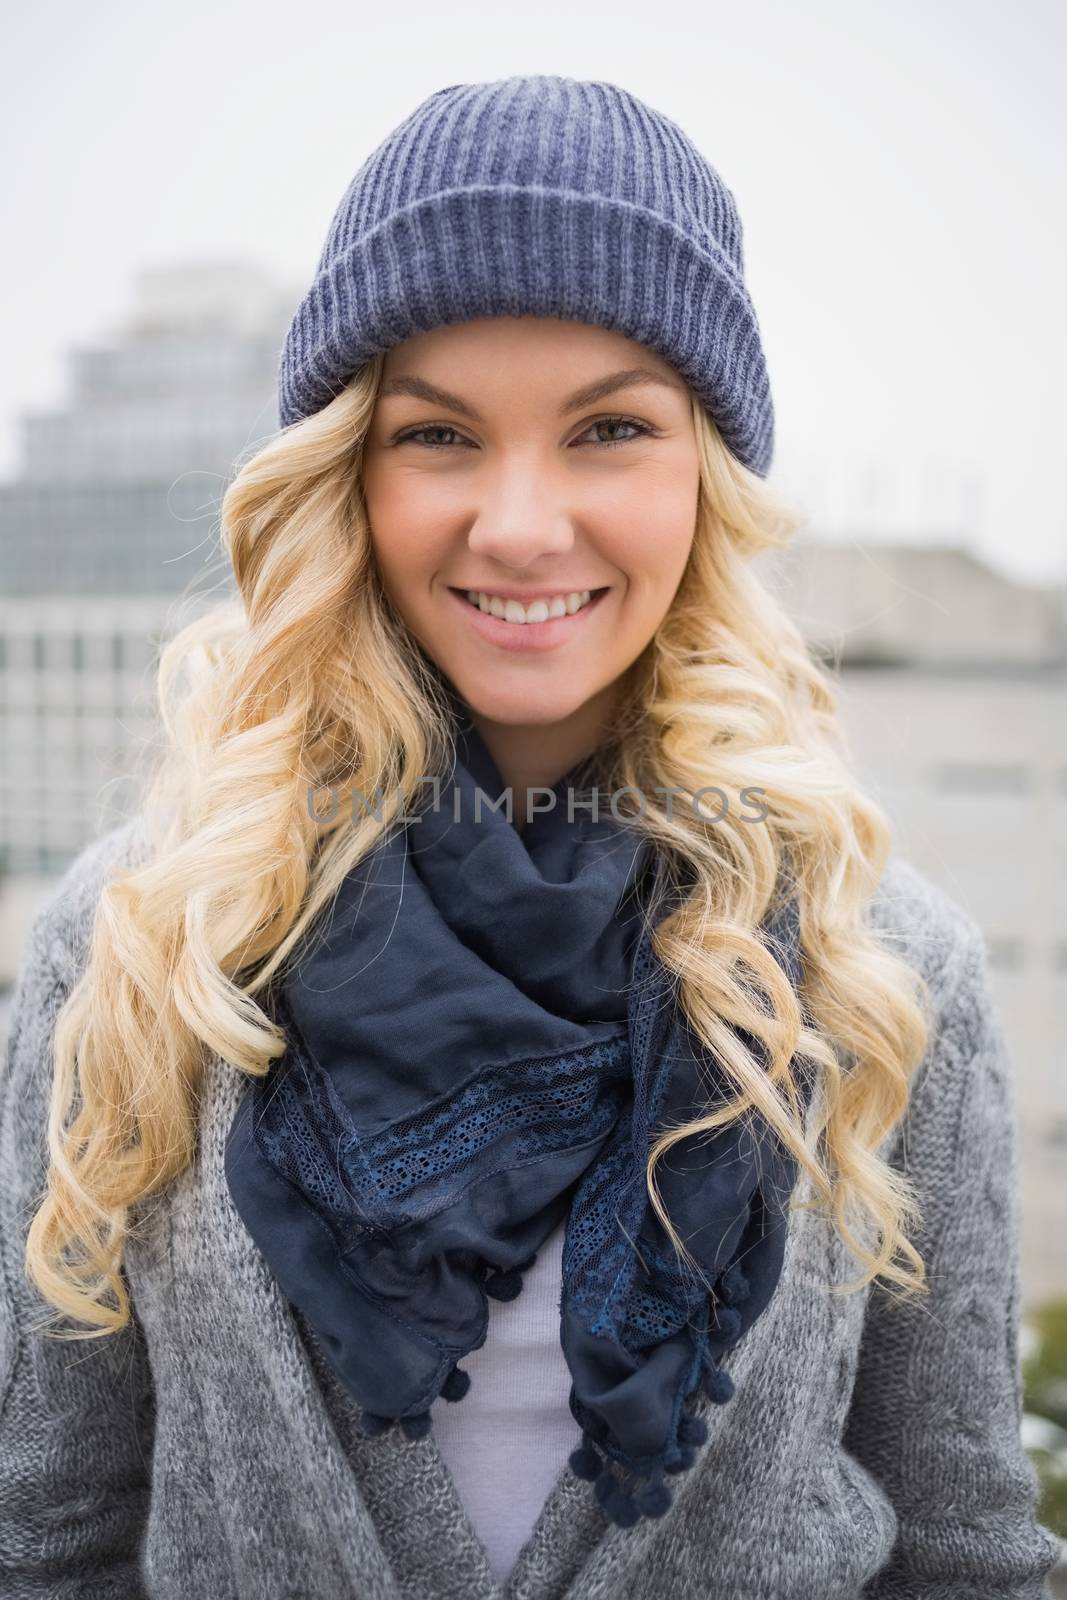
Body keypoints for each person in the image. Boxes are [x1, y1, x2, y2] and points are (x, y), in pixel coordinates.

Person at [0, 74, 1061, 1600]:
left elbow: (968, 1560)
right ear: (348, 474)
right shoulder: (151, 944)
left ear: (709, 471)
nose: (517, 524)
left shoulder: (878, 971)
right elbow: (50, 1542)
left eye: (609, 430)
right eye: (439, 436)